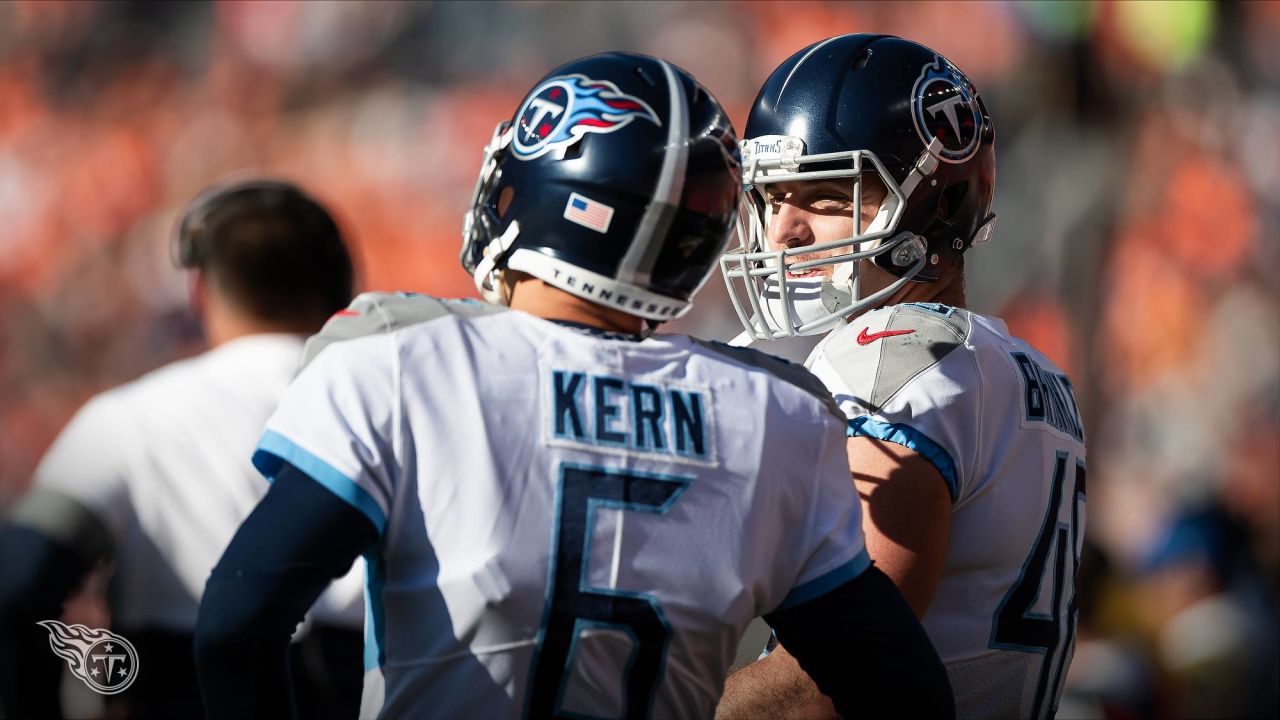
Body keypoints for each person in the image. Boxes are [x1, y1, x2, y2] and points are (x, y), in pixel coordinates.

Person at [193, 52, 952, 720]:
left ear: (529, 188)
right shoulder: (774, 413)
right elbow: (905, 694)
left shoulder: (400, 357)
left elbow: (237, 623)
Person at [717, 34, 1087, 720]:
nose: (781, 233)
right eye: (772, 199)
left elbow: (825, 685)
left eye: (824, 198)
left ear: (935, 205)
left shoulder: (894, 359)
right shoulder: (1029, 373)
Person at [0, 179, 366, 719]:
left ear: (199, 290)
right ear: (343, 288)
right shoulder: (402, 410)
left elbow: (17, 585)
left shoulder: (126, 419)